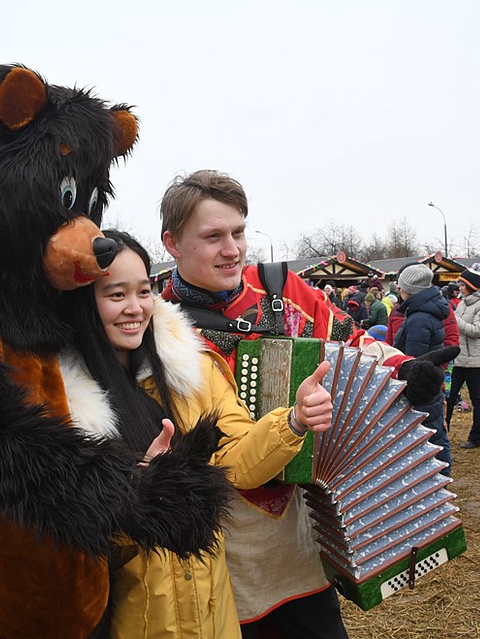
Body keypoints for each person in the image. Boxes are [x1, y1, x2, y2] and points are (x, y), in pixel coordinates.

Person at [157, 170, 450, 639]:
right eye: (212, 237)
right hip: (227, 535)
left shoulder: (280, 288)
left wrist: (404, 369)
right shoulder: (162, 332)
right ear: (171, 243)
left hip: (302, 521)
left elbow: (350, 342)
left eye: (238, 232)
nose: (231, 249)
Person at [61, 230, 333, 638]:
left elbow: (238, 464)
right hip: (133, 616)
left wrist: (292, 421)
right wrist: (138, 488)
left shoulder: (193, 369)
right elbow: (64, 533)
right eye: (116, 295)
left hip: (211, 608)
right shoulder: (61, 398)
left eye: (143, 291)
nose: (135, 308)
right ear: (83, 303)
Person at [391, 263, 452, 471]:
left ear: (409, 289)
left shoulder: (418, 318)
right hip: (430, 384)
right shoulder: (425, 312)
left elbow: (414, 358)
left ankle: (438, 479)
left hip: (421, 387)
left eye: (401, 286)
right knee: (435, 433)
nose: (398, 290)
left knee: (430, 437)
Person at [446, 269, 480, 448]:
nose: (460, 287)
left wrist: (455, 321)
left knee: (477, 398)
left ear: (471, 286)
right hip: (459, 357)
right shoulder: (463, 304)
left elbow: (477, 330)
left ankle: (475, 438)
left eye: (463, 284)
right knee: (450, 398)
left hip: (474, 360)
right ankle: (443, 433)